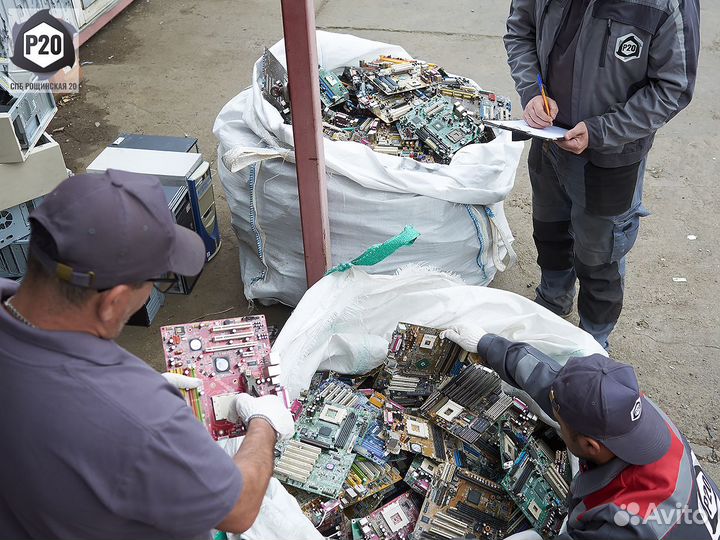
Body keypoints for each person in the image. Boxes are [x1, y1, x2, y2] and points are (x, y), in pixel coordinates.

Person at [0, 170, 295, 539]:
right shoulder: (140, 417)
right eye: (157, 281)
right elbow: (238, 509)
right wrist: (264, 425)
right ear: (114, 302)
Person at [504, 0, 700, 348]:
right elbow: (520, 31)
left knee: (599, 255)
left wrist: (601, 131)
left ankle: (592, 341)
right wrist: (533, 93)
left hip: (611, 157)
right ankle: (552, 301)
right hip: (548, 140)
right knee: (549, 229)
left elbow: (673, 87)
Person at [443, 325, 720, 539]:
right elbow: (553, 384)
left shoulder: (624, 524)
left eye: (560, 424)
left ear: (590, 446)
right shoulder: (639, 411)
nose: (556, 421)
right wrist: (486, 343)